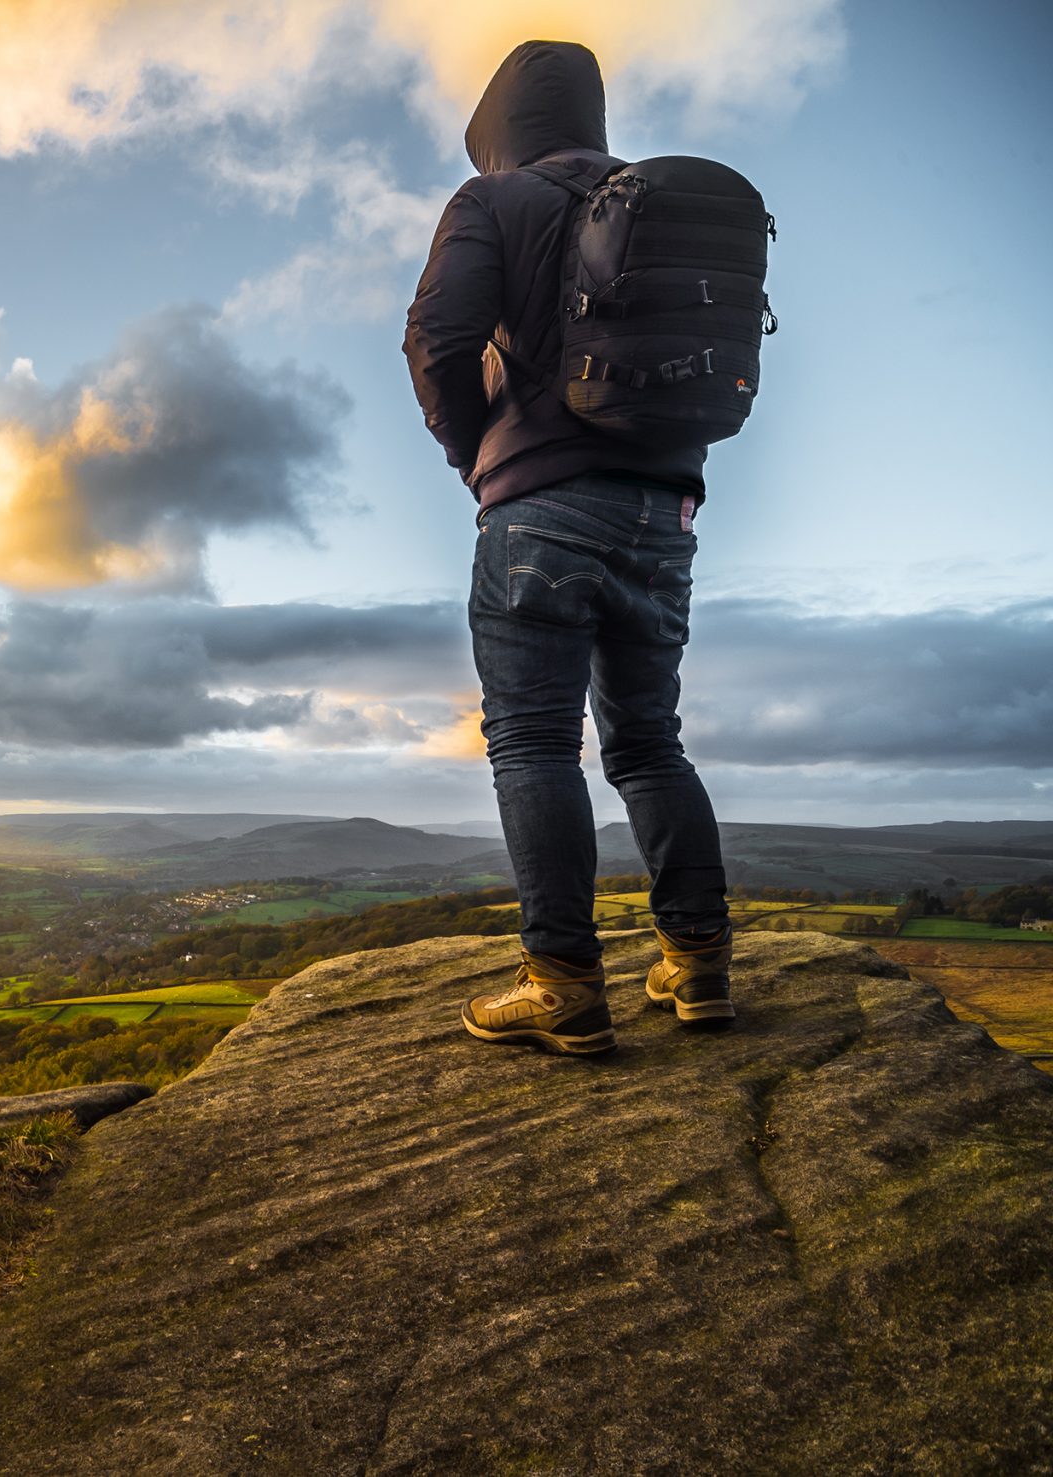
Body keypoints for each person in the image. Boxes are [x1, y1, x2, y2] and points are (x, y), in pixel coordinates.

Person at [402, 40, 735, 1056]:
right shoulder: (651, 206)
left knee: (534, 741)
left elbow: (439, 338)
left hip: (537, 508)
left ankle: (560, 979)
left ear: (499, 125)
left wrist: (475, 454)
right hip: (663, 514)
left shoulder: (491, 201)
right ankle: (696, 961)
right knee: (647, 741)